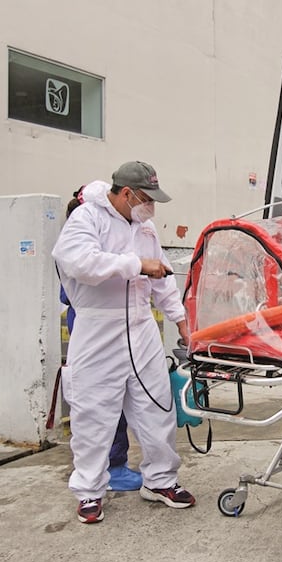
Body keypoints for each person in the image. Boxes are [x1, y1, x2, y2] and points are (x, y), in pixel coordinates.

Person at [52, 161, 194, 524]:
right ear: (127, 193)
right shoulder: (88, 218)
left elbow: (162, 279)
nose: (152, 208)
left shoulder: (144, 228)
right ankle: (89, 491)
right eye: (147, 199)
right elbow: (78, 262)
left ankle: (160, 479)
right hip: (99, 328)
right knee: (94, 413)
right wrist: (136, 265)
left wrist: (181, 322)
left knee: (157, 404)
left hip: (141, 326)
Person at [59, 187, 142, 493]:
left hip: (109, 327)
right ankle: (108, 467)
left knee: (116, 399)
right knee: (98, 404)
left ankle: (111, 464)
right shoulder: (80, 243)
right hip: (93, 329)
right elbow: (84, 279)